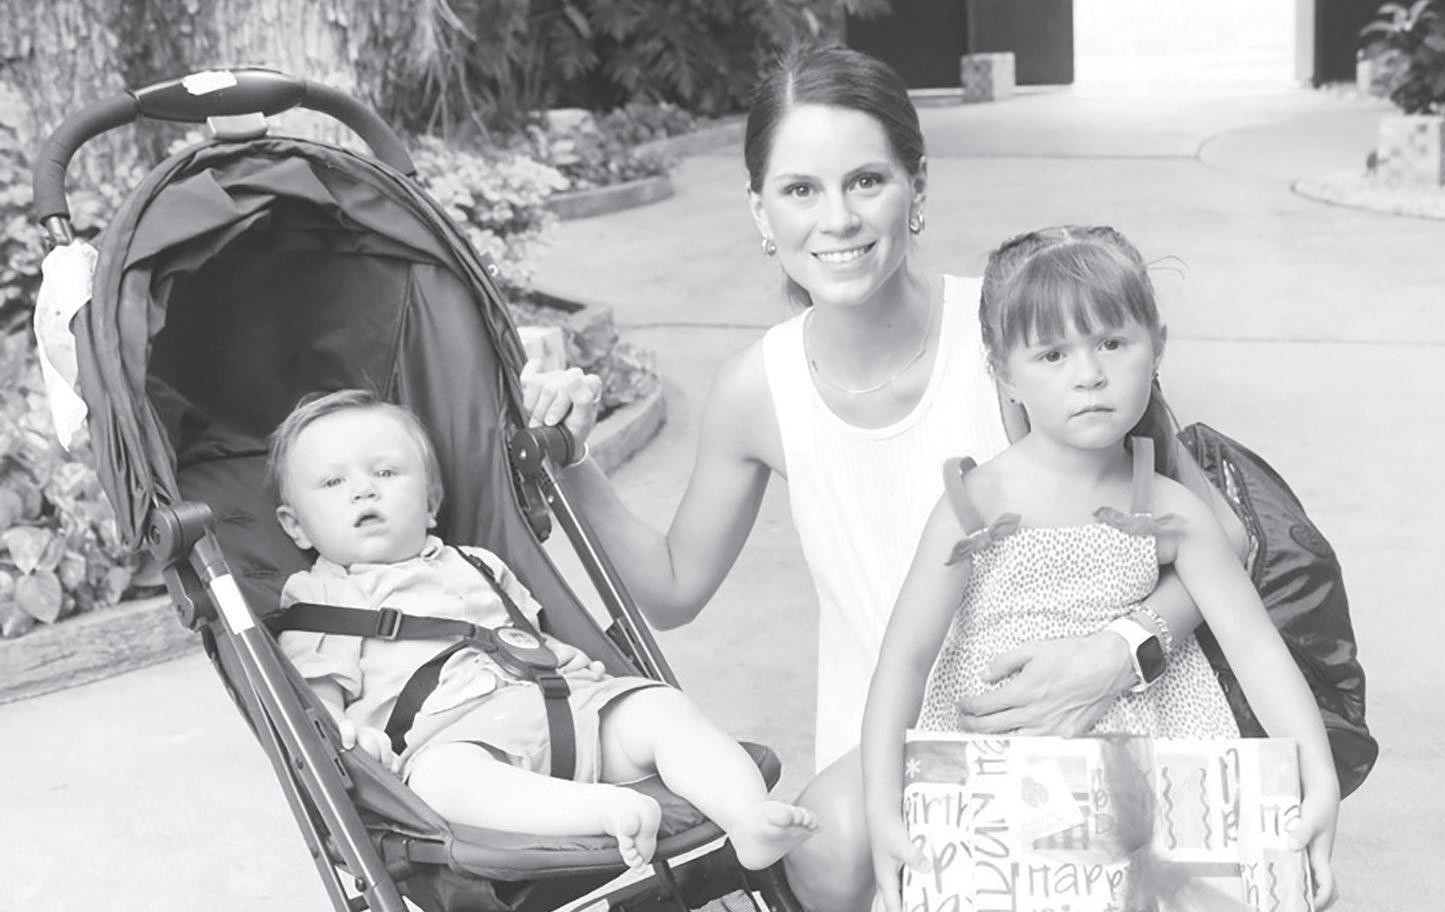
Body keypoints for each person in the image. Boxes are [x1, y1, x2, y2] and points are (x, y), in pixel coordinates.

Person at [518, 45, 1251, 911]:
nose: (837, 219)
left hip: (1089, 712)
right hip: (893, 744)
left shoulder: (1016, 335)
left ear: (917, 188)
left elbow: (1219, 537)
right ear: (760, 211)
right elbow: (674, 588)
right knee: (828, 847)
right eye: (800, 190)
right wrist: (575, 462)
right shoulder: (758, 388)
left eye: (866, 181)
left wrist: (1116, 654)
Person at [861, 226, 1339, 911]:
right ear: (1004, 374)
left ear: (1157, 345)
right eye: (1052, 353)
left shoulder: (1169, 508)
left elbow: (1257, 650)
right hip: (1000, 781)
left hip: (1154, 772)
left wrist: (1317, 779)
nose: (1087, 374)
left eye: (1112, 343)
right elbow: (903, 662)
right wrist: (883, 807)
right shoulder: (974, 505)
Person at [267, 389, 818, 870]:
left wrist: (589, 682)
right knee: (440, 783)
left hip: (564, 709)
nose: (363, 490)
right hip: (456, 741)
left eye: (385, 473)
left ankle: (748, 817)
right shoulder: (320, 598)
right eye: (333, 482)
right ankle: (601, 810)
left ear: (431, 503)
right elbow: (319, 706)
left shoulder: (479, 562)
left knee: (658, 707)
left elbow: (530, 635)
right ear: (296, 527)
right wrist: (353, 737)